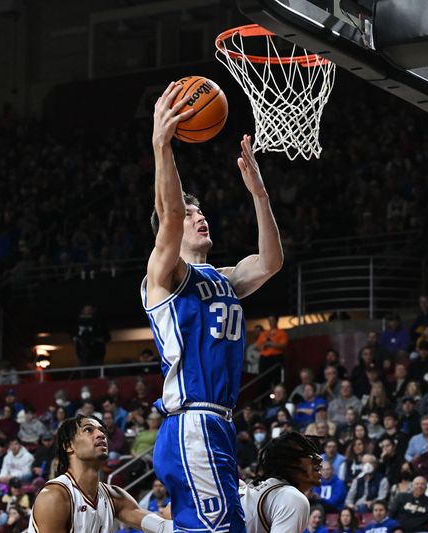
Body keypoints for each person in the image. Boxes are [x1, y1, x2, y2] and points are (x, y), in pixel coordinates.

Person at [143, 82, 283, 533]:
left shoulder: (224, 277)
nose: (198, 217)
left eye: (200, 212)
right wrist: (163, 148)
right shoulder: (165, 277)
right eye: (189, 214)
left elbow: (270, 262)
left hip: (217, 423)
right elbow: (166, 217)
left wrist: (259, 195)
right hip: (192, 420)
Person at [27, 415, 169, 533]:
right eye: (88, 430)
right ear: (69, 446)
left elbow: (162, 528)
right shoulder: (54, 496)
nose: (101, 434)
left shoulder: (114, 497)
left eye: (102, 431)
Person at [238, 432, 322, 533]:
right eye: (309, 455)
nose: (319, 458)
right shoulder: (292, 498)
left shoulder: (253, 491)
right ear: (291, 462)